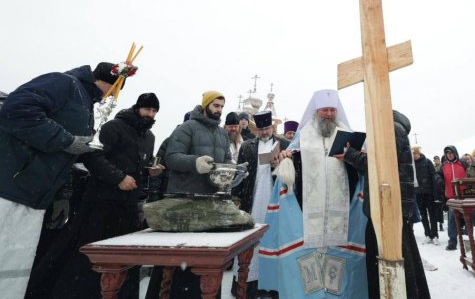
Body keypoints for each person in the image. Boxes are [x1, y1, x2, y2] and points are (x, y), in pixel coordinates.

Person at [26, 93, 161, 299]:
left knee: (122, 258)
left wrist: (150, 168)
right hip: (100, 203)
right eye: (147, 109)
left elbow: (139, 162)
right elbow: (91, 156)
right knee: (88, 256)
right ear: (137, 108)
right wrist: (118, 178)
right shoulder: (113, 127)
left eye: (153, 111)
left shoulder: (149, 137)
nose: (150, 114)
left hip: (127, 206)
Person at [0, 62, 117, 297]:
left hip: (36, 198)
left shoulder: (86, 106)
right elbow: (16, 109)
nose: (113, 95)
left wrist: (61, 196)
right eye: (116, 88)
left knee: (12, 273)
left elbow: (64, 161)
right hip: (9, 189)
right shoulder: (64, 83)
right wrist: (65, 140)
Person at [257, 89, 366, 298]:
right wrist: (287, 160)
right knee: (306, 280)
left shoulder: (347, 138)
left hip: (341, 219)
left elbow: (360, 172)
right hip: (305, 223)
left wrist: (356, 157)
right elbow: (288, 175)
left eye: (332, 110)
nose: (329, 114)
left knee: (340, 281)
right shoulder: (302, 139)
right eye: (324, 109)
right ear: (316, 112)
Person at [340, 110, 430, 299]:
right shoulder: (392, 129)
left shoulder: (392, 130)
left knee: (394, 257)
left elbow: (379, 165)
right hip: (387, 206)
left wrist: (351, 155)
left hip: (388, 208)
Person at [159, 91, 231, 298]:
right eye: (216, 105)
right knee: (183, 259)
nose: (219, 110)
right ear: (206, 105)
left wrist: (230, 172)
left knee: (207, 259)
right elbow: (171, 157)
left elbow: (226, 160)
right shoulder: (187, 128)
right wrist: (195, 162)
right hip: (185, 199)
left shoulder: (222, 133)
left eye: (221, 107)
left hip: (211, 200)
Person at [231, 110, 289, 298]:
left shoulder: (285, 145)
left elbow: (293, 173)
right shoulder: (247, 147)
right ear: (256, 129)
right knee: (251, 244)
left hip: (276, 202)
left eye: (268, 128)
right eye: (261, 129)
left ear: (273, 127)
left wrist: (277, 167)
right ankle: (248, 285)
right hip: (253, 200)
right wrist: (236, 198)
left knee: (274, 241)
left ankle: (272, 286)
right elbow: (239, 174)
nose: (265, 133)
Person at [440, 145, 466, 250]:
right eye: (448, 153)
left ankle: (470, 241)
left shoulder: (463, 163)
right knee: (452, 221)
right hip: (451, 197)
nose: (450, 155)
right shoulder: (444, 166)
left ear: (455, 153)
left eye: (451, 153)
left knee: (468, 219)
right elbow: (437, 176)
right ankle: (452, 242)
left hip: (464, 196)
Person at [412, 146, 439, 245]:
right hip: (418, 194)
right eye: (412, 154)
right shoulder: (412, 164)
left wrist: (435, 192)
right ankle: (427, 234)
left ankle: (435, 234)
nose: (414, 155)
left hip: (429, 193)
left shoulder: (427, 162)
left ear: (419, 153)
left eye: (415, 153)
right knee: (423, 215)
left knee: (432, 214)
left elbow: (433, 177)